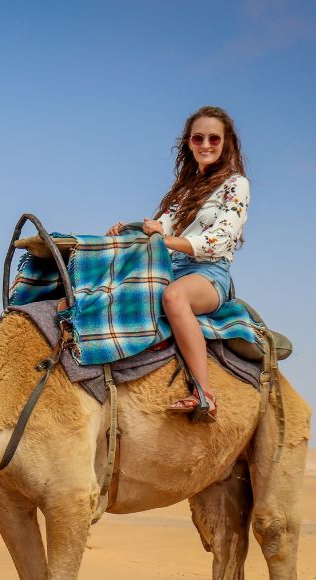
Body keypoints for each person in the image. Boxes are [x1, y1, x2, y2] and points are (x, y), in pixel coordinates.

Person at [108, 106, 250, 422]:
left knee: (174, 297)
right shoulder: (184, 191)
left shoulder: (235, 185)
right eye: (198, 138)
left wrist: (164, 241)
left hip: (209, 273)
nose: (206, 144)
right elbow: (162, 227)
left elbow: (220, 239)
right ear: (188, 142)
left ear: (226, 143)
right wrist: (129, 230)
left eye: (214, 138)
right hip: (172, 267)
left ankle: (205, 394)